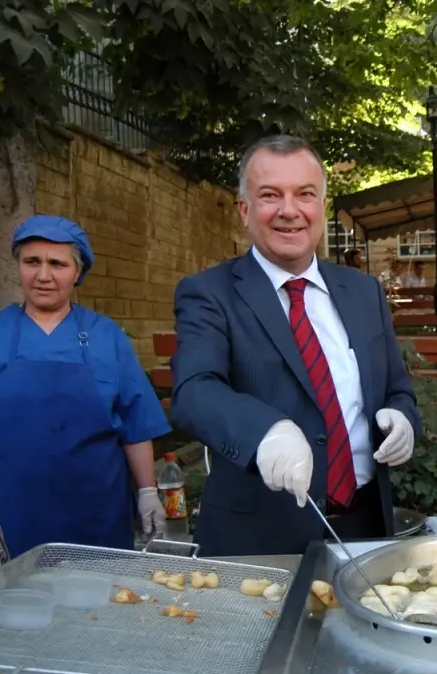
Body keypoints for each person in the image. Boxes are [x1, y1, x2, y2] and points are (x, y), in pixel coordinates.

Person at [171, 134, 420, 557]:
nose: (290, 211)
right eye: (271, 195)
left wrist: (403, 418)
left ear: (322, 208)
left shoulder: (363, 292)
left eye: (305, 195)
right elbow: (194, 390)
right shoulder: (209, 293)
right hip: (257, 539)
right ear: (245, 210)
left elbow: (396, 386)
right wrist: (264, 430)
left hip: (366, 529)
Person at [0, 215, 171, 557]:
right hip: (11, 510)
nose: (43, 275)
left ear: (77, 272)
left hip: (98, 508)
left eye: (57, 264)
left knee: (97, 603)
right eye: (31, 262)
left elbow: (135, 422)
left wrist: (146, 491)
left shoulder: (106, 335)